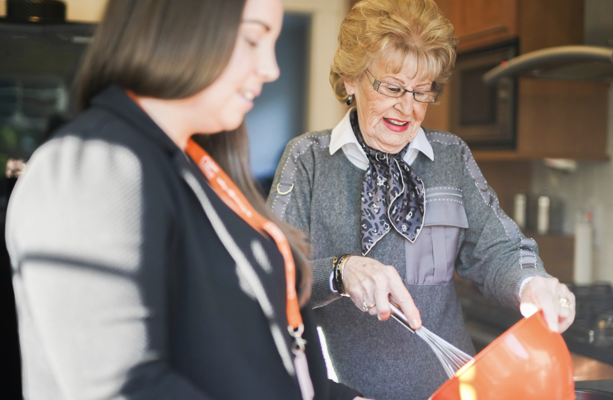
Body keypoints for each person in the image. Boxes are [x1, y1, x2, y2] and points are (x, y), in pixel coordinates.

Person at [5, 0, 366, 399]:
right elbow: (124, 388)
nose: (271, 68)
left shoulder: (203, 166)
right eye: (252, 39)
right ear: (180, 25)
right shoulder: (95, 165)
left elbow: (262, 363)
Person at [267, 1, 577, 399]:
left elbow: (497, 248)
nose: (408, 108)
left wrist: (531, 283)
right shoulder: (307, 158)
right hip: (342, 391)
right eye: (392, 88)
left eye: (422, 91)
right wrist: (341, 271)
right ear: (350, 80)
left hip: (450, 389)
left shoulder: (450, 157)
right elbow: (270, 272)